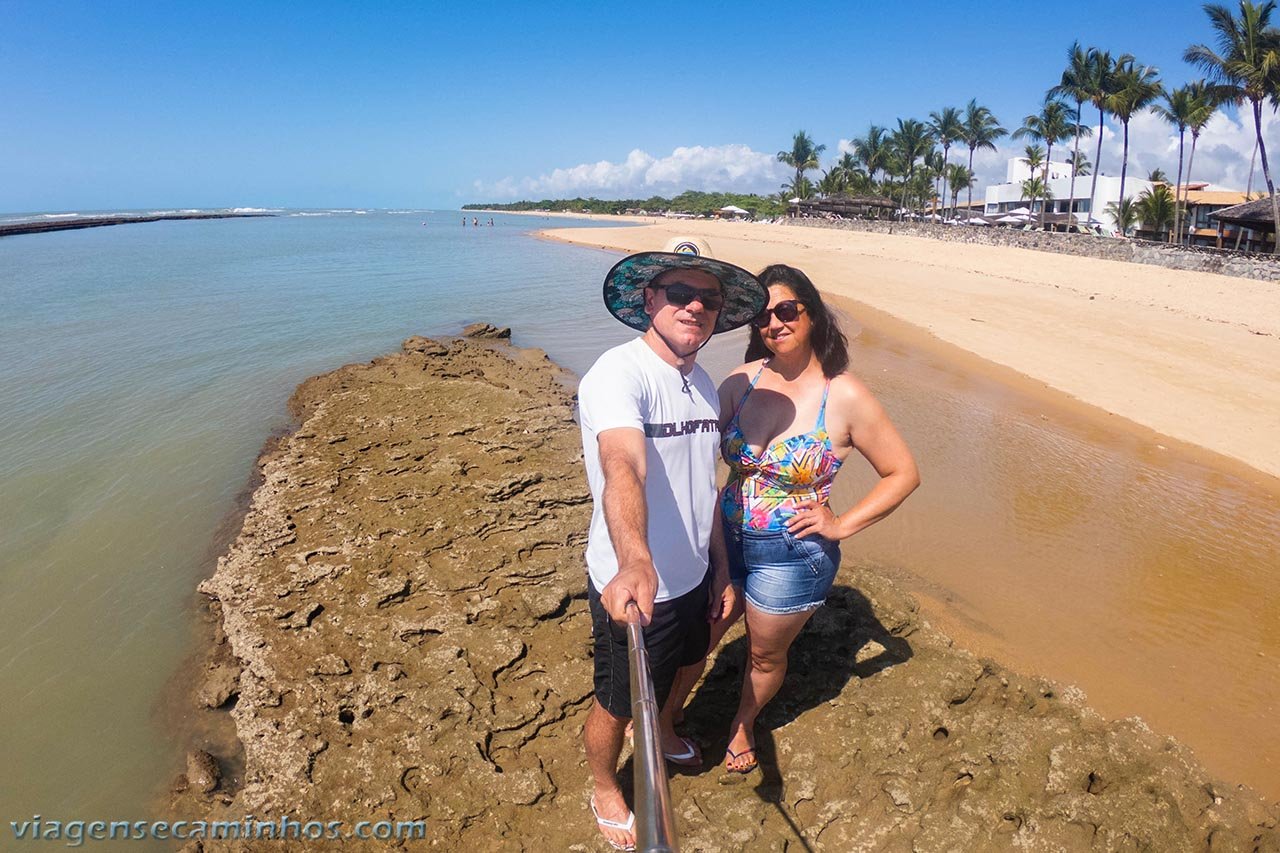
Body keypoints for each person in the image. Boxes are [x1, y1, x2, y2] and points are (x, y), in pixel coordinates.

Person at [579, 237, 766, 850]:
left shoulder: (705, 383)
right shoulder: (618, 373)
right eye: (680, 294)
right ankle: (606, 785)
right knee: (616, 700)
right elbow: (622, 467)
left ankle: (658, 729)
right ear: (651, 299)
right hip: (635, 583)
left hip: (692, 576)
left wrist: (719, 569)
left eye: (707, 299)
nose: (694, 308)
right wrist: (635, 559)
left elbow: (700, 483)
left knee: (690, 664)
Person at [715, 264, 919, 774]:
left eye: (787, 311)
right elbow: (689, 445)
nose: (775, 324)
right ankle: (666, 715)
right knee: (705, 632)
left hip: (791, 555)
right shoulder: (743, 380)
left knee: (763, 656)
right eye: (763, 316)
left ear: (812, 315)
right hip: (723, 539)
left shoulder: (843, 394)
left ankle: (743, 723)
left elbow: (902, 473)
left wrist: (841, 524)